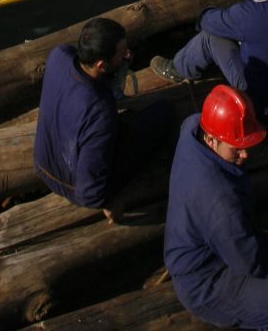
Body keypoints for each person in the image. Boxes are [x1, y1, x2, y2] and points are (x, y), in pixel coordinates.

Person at [164, 84, 268, 330]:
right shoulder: (220, 202)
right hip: (205, 283)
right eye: (237, 148)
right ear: (212, 141)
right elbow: (251, 263)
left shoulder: (194, 127)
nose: (245, 154)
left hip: (209, 248)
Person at [34, 16, 174, 222]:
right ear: (100, 64)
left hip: (42, 163)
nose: (127, 55)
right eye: (121, 54)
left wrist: (120, 64)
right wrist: (108, 202)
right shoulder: (99, 112)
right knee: (163, 113)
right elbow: (88, 190)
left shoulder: (59, 55)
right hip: (72, 186)